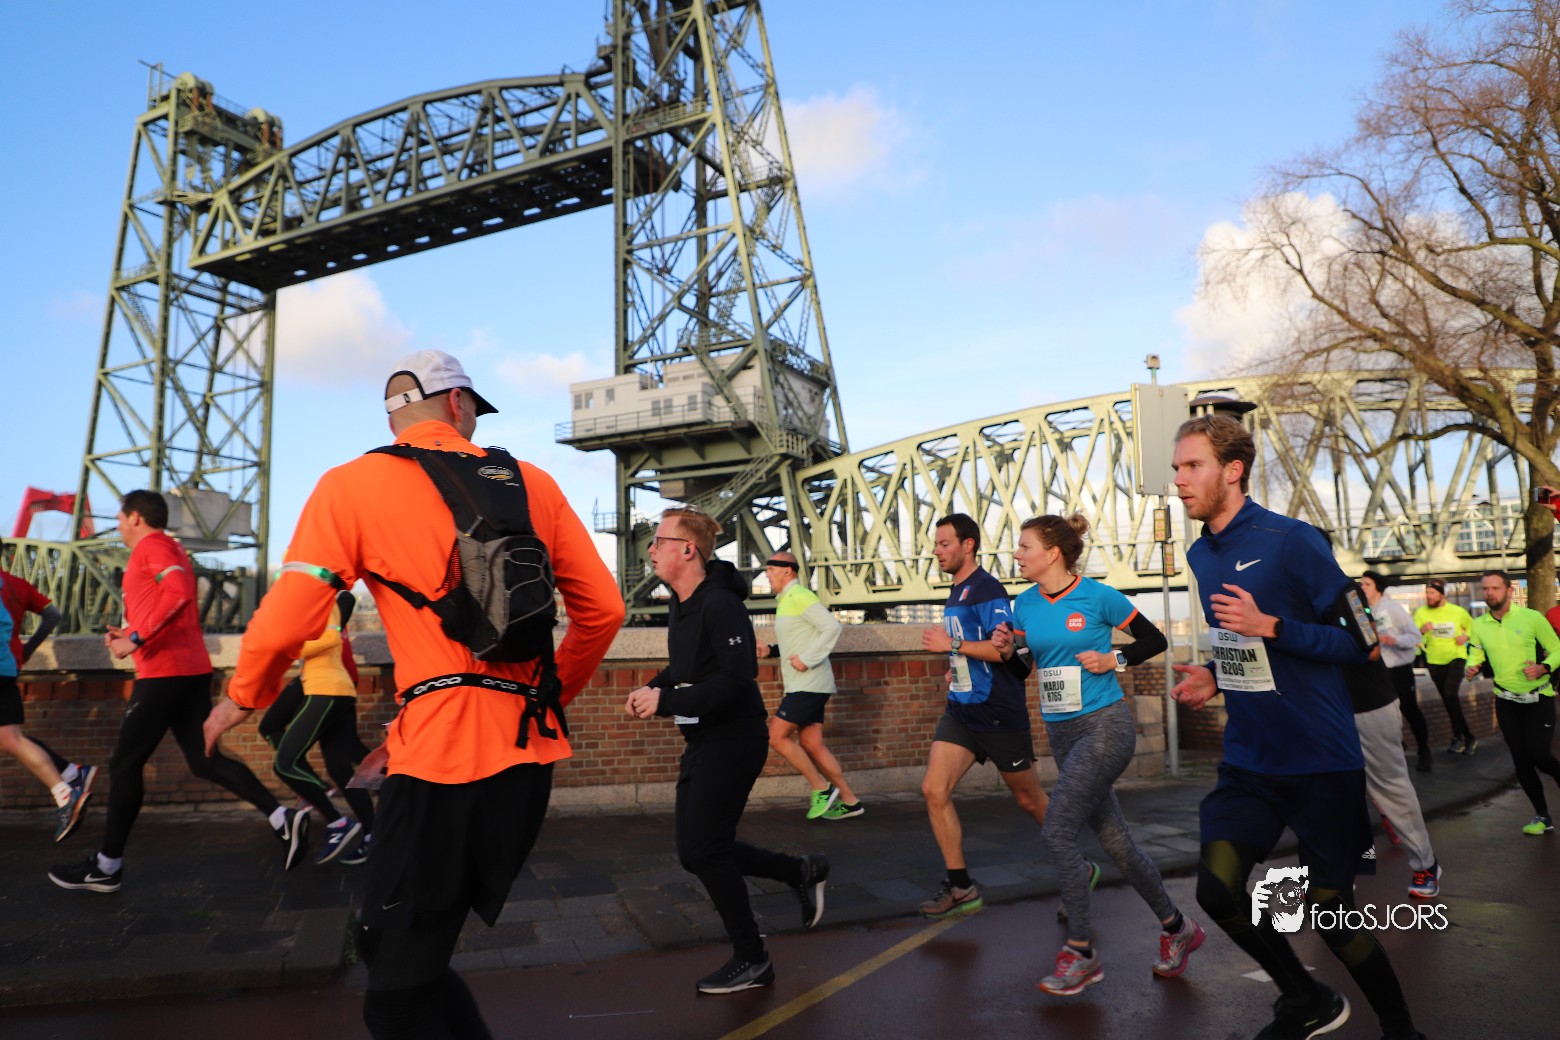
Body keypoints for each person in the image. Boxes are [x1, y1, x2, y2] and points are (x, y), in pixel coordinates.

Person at [202, 349, 624, 1038]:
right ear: (458, 403)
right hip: (523, 760)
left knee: (395, 988)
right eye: (473, 409)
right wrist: (543, 702)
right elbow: (603, 611)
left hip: (442, 759)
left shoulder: (352, 484)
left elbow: (288, 616)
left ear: (393, 414)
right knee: (402, 957)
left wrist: (242, 695)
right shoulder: (533, 482)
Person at [1169, 414, 1423, 1040]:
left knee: (1332, 915)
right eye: (1176, 468)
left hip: (1322, 761)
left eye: (1192, 466)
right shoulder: (1200, 552)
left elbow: (1362, 643)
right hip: (1250, 760)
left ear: (1233, 470)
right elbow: (1242, 646)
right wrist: (1215, 674)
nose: (1179, 480)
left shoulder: (1293, 540)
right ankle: (1305, 998)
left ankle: (1401, 1030)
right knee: (1217, 890)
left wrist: (1273, 626)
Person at [49, 490, 302, 894]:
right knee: (203, 759)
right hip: (188, 670)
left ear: (135, 517)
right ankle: (280, 818)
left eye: (120, 516)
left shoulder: (152, 546)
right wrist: (131, 632)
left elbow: (180, 592)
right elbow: (169, 602)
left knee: (124, 764)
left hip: (165, 675)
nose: (117, 523)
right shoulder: (168, 548)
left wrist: (135, 638)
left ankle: (107, 866)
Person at [994, 513, 1202, 996]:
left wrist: (1115, 659)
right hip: (1062, 734)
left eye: (1024, 547)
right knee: (1117, 844)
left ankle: (1081, 952)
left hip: (1105, 727)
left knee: (1057, 830)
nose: (1017, 554)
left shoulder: (1098, 596)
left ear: (1052, 553)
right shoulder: (1025, 604)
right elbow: (1023, 669)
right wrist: (1006, 652)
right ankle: (1178, 928)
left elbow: (1154, 640)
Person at [625, 509, 828, 995]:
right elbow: (689, 666)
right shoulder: (683, 602)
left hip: (734, 737)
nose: (650, 549)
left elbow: (738, 678)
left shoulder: (720, 603)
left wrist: (666, 702)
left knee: (705, 850)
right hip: (703, 738)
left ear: (687, 549)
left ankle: (752, 958)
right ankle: (799, 871)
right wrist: (654, 685)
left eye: (659, 541)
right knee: (695, 851)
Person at [916, 512, 1048, 919]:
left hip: (997, 712)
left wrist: (951, 646)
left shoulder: (988, 589)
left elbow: (1001, 650)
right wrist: (955, 666)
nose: (937, 551)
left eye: (944, 544)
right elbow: (969, 648)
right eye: (936, 545)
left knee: (1029, 800)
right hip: (962, 710)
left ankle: (1076, 863)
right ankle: (961, 886)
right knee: (933, 789)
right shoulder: (957, 591)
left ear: (968, 544)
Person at [263, 591, 376, 864]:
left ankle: (336, 817)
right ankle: (374, 833)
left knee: (286, 763)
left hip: (329, 686)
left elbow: (335, 625)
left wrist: (290, 646)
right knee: (339, 766)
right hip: (329, 684)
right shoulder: (309, 606)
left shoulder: (325, 601)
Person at [759, 550, 862, 820]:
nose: (767, 575)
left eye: (770, 570)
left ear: (787, 570)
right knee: (812, 743)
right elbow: (799, 639)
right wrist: (771, 650)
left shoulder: (800, 595)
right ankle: (850, 801)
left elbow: (832, 628)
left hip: (808, 684)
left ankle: (821, 788)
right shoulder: (787, 600)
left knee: (776, 737)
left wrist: (807, 659)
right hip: (808, 684)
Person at [0, 564, 97, 840]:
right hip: (8, 666)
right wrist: (29, 648)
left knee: (11, 739)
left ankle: (68, 783)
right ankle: (67, 783)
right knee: (10, 738)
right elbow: (53, 614)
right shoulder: (16, 584)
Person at [1463, 571, 1560, 835]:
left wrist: (1544, 667)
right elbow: (1475, 653)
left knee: (1539, 755)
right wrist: (1471, 667)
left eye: (1495, 588)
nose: (1489, 593)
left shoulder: (1532, 618)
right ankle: (1542, 816)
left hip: (1538, 698)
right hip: (1506, 701)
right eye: (1485, 588)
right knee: (1521, 760)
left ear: (1509, 590)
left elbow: (1557, 649)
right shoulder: (1479, 624)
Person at [1340, 654, 1442, 898]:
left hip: (1367, 704)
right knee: (1327, 790)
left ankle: (1425, 864)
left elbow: (1370, 649)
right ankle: (1333, 874)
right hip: (1322, 707)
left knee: (1390, 786)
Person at [1360, 571, 1431, 772]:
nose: (1362, 588)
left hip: (1399, 670)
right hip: (1378, 671)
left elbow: (1415, 636)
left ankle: (1424, 751)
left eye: (1367, 584)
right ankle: (1397, 749)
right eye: (1362, 584)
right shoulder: (1364, 612)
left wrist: (1395, 640)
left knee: (1410, 710)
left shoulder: (1393, 609)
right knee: (1385, 713)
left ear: (1378, 587)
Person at [1414, 577, 1477, 754]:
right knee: (1448, 700)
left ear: (1442, 594)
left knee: (1450, 694)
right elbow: (1412, 636)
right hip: (1434, 661)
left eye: (1432, 593)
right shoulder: (1421, 613)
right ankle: (1468, 737)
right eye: (1427, 593)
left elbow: (1474, 628)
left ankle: (1457, 736)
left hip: (1456, 657)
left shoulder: (1457, 611)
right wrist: (1421, 630)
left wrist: (1466, 637)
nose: (1429, 596)